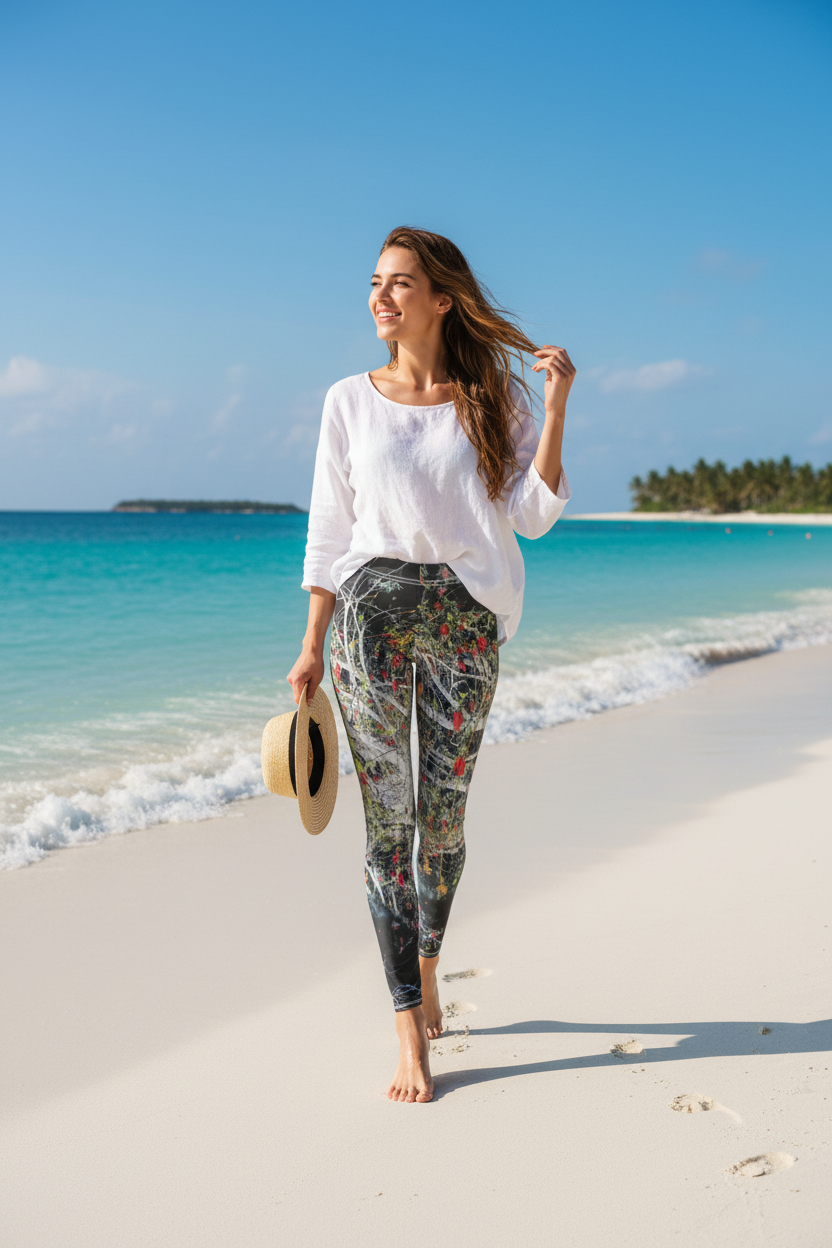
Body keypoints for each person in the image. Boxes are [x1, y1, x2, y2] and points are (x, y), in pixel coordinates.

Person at [287, 226, 574, 1103]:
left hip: (465, 623)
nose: (381, 296)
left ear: (442, 299)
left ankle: (430, 958)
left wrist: (556, 406)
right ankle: (409, 1030)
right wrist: (308, 643)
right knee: (387, 830)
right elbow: (330, 529)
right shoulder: (347, 399)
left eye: (400, 283)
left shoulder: (490, 400)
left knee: (441, 825)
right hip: (367, 622)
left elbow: (532, 515)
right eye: (375, 282)